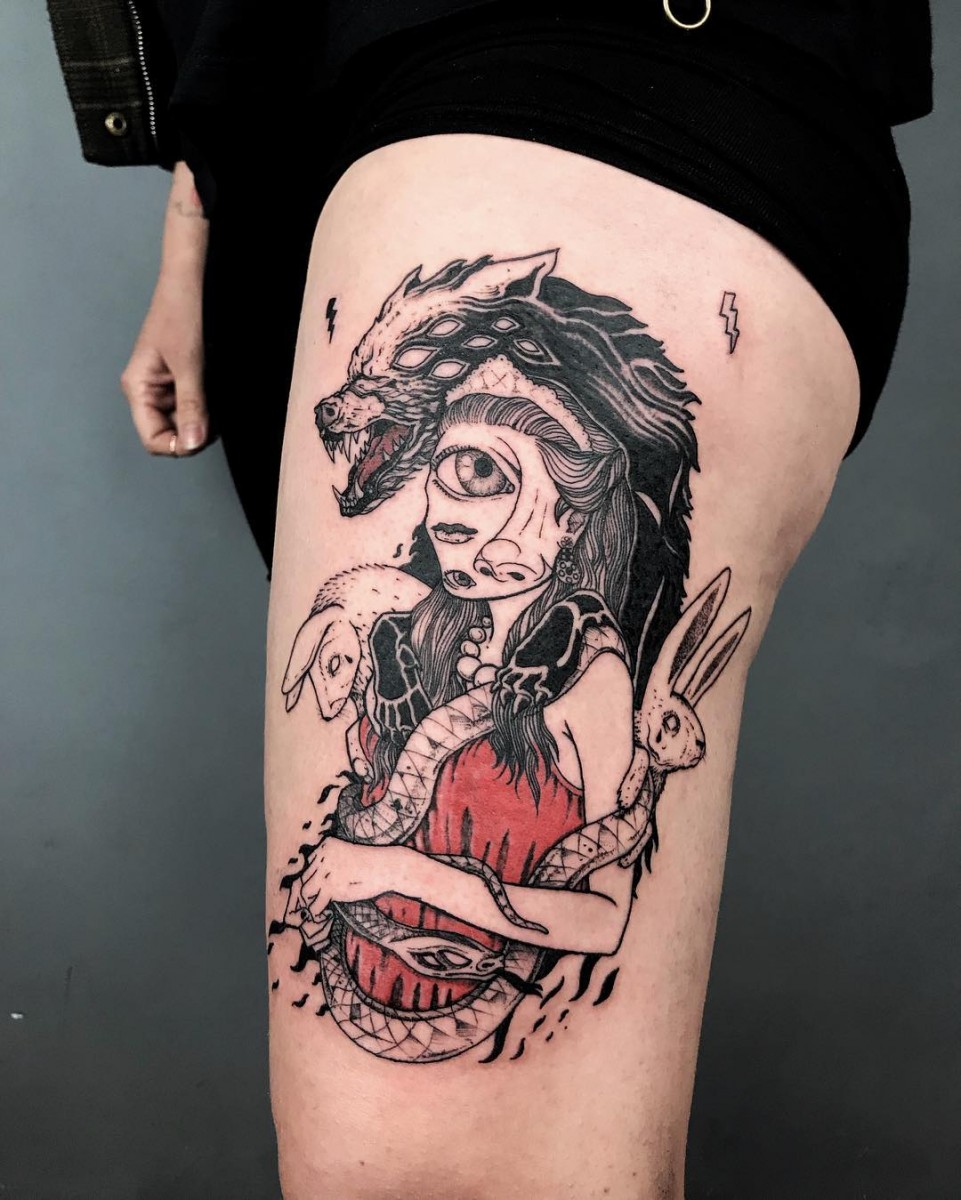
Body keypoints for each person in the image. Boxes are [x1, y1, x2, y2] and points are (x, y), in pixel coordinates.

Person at [49, 2, 934, 1196]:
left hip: (578, 68)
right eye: (447, 480)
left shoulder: (587, 667)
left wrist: (397, 878)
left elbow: (595, 913)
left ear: (578, 514)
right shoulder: (440, 614)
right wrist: (201, 198)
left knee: (429, 1176)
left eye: (479, 480)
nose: (441, 520)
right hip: (305, 138)